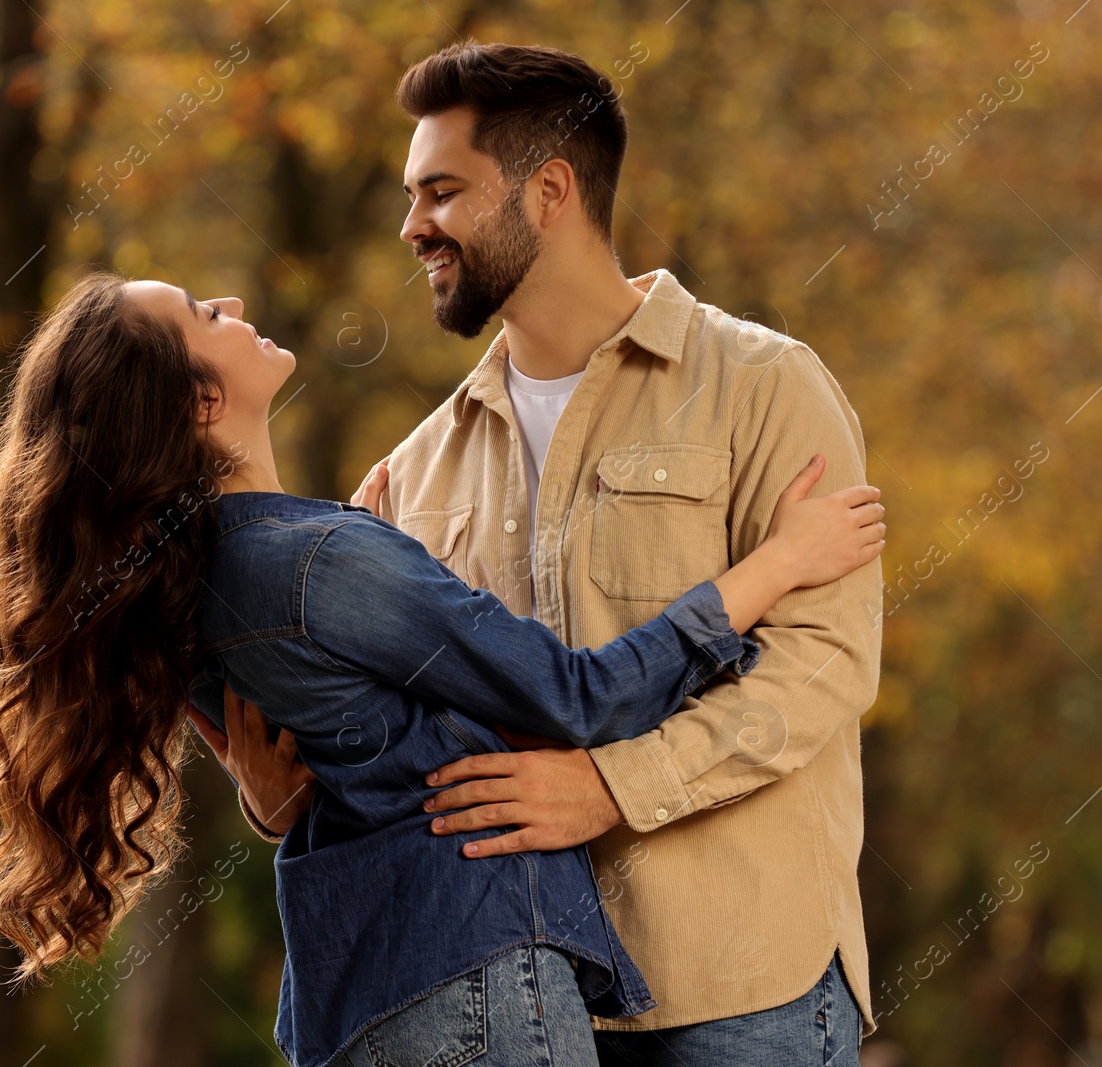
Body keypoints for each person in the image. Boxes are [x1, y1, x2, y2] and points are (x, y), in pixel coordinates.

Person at [0, 271, 887, 1067]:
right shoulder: (316, 561)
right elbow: (577, 698)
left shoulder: (184, 579)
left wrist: (285, 783)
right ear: (201, 402)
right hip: (470, 970)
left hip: (362, 989)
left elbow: (331, 759)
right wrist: (776, 564)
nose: (228, 302)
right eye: (204, 315)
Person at [236, 41, 886, 1066]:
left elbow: (825, 665)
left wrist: (611, 786)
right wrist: (276, 783)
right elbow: (403, 730)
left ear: (549, 191)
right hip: (519, 994)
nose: (412, 227)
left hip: (741, 981)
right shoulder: (416, 468)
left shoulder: (763, 384)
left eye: (441, 192)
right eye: (411, 197)